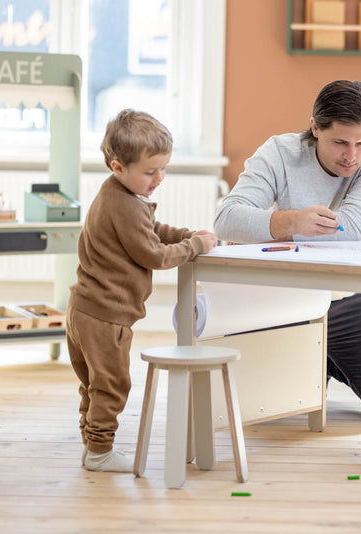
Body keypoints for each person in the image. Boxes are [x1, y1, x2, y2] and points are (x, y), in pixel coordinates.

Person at [214, 80, 361, 421]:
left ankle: (328, 357)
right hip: (286, 296)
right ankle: (318, 359)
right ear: (315, 128)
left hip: (348, 295)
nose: (351, 156)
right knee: (273, 407)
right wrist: (292, 220)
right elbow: (225, 219)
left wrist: (265, 231)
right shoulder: (279, 152)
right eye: (339, 142)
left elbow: (353, 230)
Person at [67, 109, 217, 472]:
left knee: (92, 384)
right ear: (118, 167)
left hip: (83, 308)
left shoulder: (117, 194)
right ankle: (100, 451)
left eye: (163, 169)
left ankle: (92, 444)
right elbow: (152, 254)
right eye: (150, 172)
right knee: (112, 384)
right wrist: (194, 247)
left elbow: (151, 227)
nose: (158, 178)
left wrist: (186, 235)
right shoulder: (125, 203)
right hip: (107, 315)